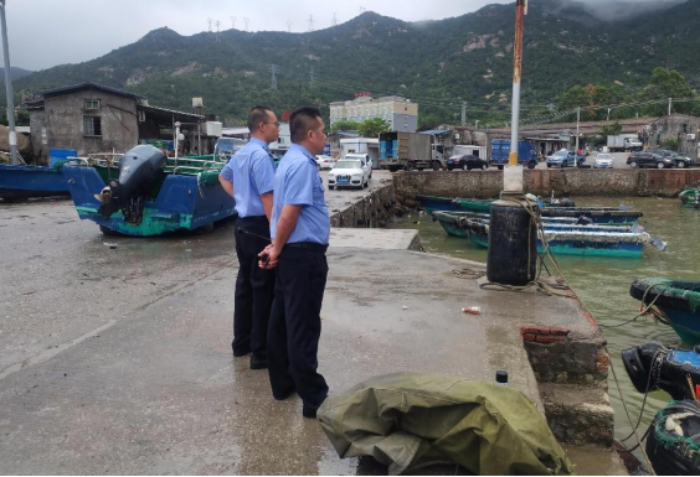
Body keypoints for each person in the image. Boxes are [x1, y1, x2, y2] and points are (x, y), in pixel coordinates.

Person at [259, 107, 330, 419]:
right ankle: (314, 397)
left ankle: (282, 384)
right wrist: (277, 247)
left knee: (281, 322)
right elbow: (289, 214)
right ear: (311, 134)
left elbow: (279, 213)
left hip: (292, 252)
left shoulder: (288, 160)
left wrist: (276, 245)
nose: (326, 137)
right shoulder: (302, 164)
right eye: (323, 131)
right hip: (303, 256)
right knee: (303, 325)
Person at [219, 106, 280, 370]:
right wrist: (276, 237)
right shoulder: (261, 156)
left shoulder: (242, 153)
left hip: (243, 226)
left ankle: (241, 343)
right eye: (275, 123)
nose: (278, 128)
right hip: (259, 228)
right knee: (263, 289)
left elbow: (223, 177)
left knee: (245, 286)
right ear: (262, 127)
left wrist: (241, 198)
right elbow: (268, 198)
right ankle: (261, 353)